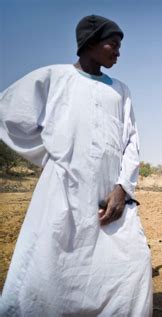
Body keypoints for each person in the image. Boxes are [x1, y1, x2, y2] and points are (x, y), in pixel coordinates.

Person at [0, 15, 152, 315]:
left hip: (110, 194)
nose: (118, 52)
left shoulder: (121, 91)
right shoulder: (55, 77)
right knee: (51, 266)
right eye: (113, 44)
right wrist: (51, 153)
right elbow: (10, 113)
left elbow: (131, 144)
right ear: (90, 42)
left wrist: (122, 187)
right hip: (63, 191)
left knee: (134, 262)